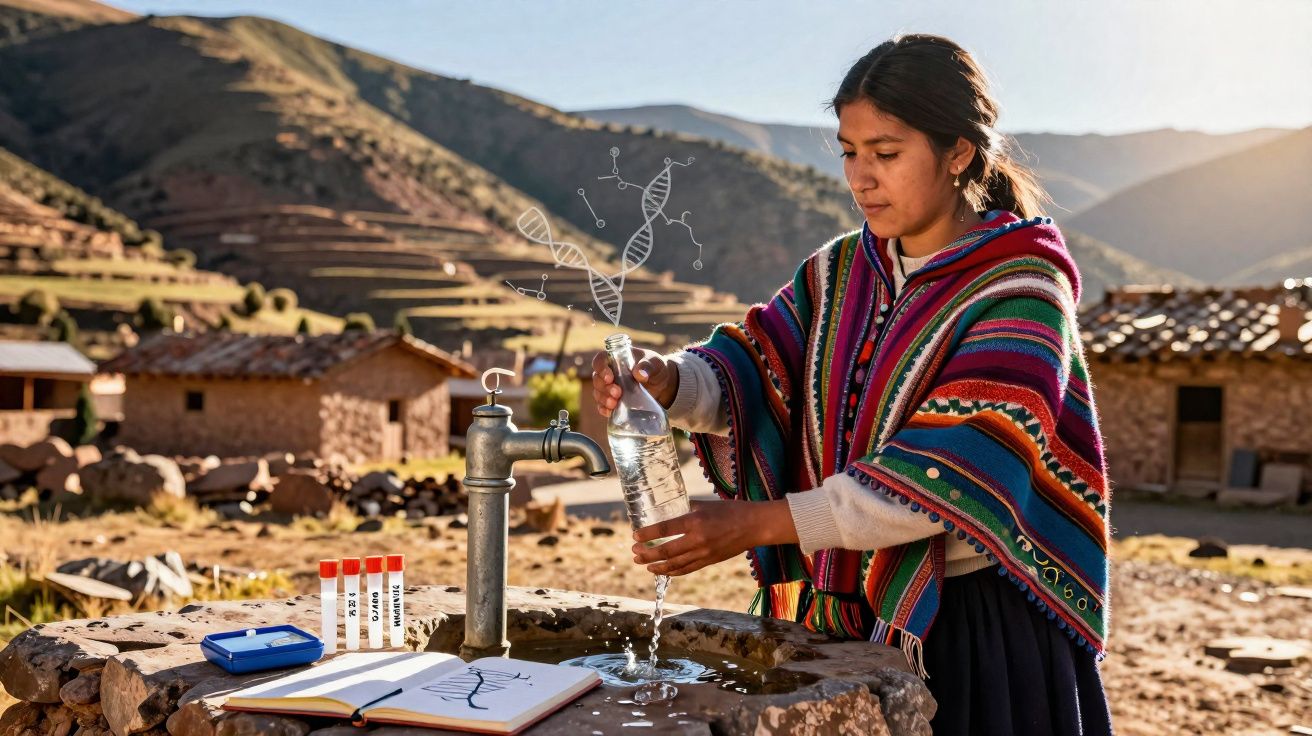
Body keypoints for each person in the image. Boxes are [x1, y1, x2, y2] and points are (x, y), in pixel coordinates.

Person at [591, 33, 1114, 735]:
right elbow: (755, 367)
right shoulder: (839, 273)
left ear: (958, 152)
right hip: (849, 613)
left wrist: (759, 523)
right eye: (848, 151)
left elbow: (958, 466)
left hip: (972, 629)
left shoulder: (1021, 292)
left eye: (886, 154)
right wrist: (668, 381)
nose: (860, 177)